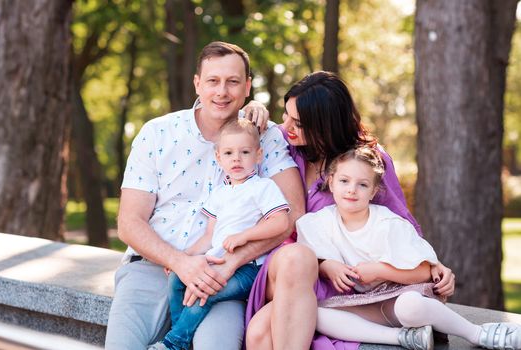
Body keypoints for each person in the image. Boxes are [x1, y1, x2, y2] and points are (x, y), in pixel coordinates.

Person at [105, 41, 305, 350]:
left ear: (248, 86)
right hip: (152, 266)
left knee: (217, 345)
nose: (222, 91)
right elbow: (129, 222)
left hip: (224, 274)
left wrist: (231, 263)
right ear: (198, 83)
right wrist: (181, 263)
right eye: (213, 81)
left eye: (233, 81)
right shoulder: (157, 133)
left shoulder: (265, 138)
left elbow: (294, 214)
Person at [245, 71, 456, 350]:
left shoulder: (365, 161)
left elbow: (399, 222)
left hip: (338, 278)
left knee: (261, 331)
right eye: (285, 116)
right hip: (290, 268)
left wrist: (431, 263)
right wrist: (254, 108)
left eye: (297, 122)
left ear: (325, 125)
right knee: (297, 259)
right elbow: (239, 142)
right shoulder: (286, 148)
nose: (286, 127)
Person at [297, 145, 521, 350]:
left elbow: (423, 272)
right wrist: (327, 266)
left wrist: (378, 271)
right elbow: (311, 259)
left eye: (362, 184)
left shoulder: (388, 223)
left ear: (374, 192)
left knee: (409, 306)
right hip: (366, 305)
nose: (351, 190)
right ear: (331, 181)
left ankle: (478, 333)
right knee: (316, 314)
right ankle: (402, 338)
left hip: (401, 296)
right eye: (344, 181)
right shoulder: (319, 222)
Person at [149, 118, 290, 350]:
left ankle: (173, 343)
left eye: (244, 152)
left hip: (249, 268)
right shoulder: (220, 194)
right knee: (177, 279)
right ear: (219, 158)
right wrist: (183, 257)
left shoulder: (262, 187)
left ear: (258, 155)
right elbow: (209, 237)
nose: (236, 158)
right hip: (218, 261)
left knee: (205, 289)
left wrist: (245, 235)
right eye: (229, 153)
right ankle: (180, 335)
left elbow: (280, 222)